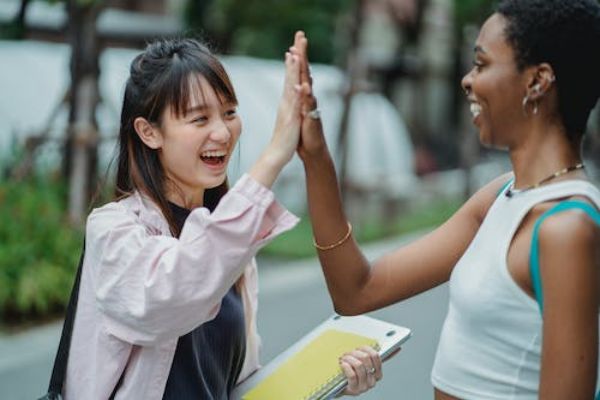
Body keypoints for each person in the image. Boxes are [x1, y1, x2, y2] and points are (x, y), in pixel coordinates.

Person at [292, 0, 600, 398]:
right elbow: (357, 290)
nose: (468, 80)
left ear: (537, 81)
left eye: (482, 64)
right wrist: (316, 157)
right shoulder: (502, 196)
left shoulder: (567, 228)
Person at [62, 35, 380, 399]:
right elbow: (172, 294)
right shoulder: (113, 231)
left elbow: (234, 389)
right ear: (149, 132)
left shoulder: (231, 245)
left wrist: (330, 379)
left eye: (229, 113)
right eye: (200, 118)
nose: (222, 132)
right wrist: (275, 152)